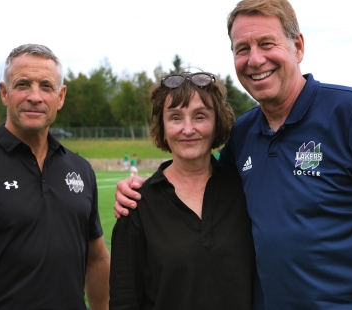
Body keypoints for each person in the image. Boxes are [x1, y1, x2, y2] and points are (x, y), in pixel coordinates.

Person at [113, 1, 352, 309]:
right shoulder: (243, 136)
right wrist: (142, 188)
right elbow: (198, 176)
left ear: (297, 47)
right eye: (243, 49)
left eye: (267, 44)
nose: (255, 59)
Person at [0, 44, 110, 310]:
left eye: (46, 87)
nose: (35, 96)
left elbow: (96, 260)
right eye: (23, 84)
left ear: (60, 97)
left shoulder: (81, 169)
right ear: (5, 93)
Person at [109, 71, 255, 309]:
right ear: (162, 127)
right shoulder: (136, 204)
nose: (188, 129)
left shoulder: (244, 190)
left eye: (200, 116)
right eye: (175, 118)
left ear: (217, 122)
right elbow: (124, 299)